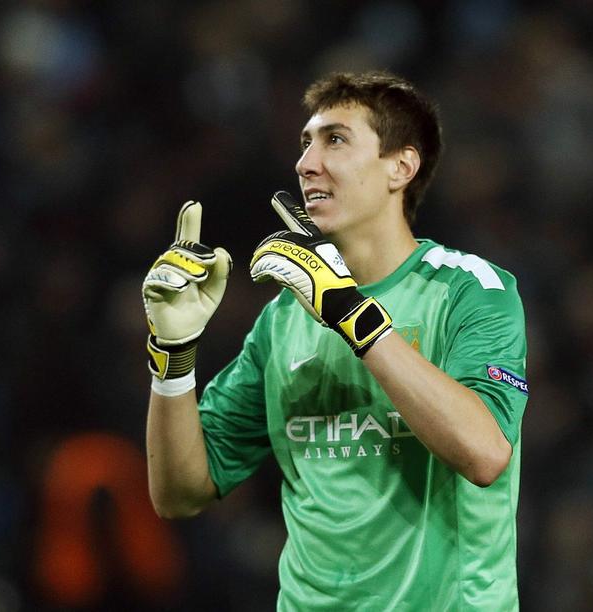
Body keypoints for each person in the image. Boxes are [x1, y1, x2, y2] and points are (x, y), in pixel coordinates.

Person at [142, 71, 529, 610]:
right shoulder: (283, 319)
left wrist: (350, 314)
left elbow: (485, 453)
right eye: (305, 143)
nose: (306, 163)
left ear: (401, 167)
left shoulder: (469, 288)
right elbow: (180, 493)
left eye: (336, 140)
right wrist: (173, 356)